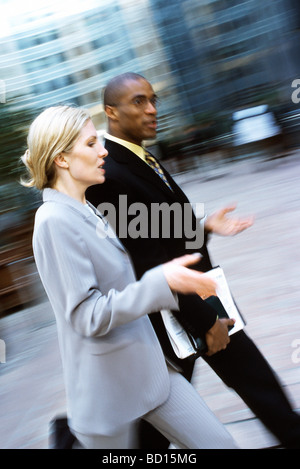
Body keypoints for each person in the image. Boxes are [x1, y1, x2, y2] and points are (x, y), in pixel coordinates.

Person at [86, 72, 300, 449]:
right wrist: (206, 320)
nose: (152, 110)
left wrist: (204, 227)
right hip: (179, 313)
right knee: (158, 422)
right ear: (111, 112)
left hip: (192, 304)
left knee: (248, 384)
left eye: (153, 99)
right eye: (138, 101)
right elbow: (147, 259)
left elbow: (158, 231)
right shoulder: (111, 174)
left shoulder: (141, 157)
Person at [21, 104, 238, 449]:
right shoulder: (53, 221)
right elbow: (86, 315)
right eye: (91, 144)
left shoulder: (85, 207)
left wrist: (200, 230)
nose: (103, 150)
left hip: (150, 370)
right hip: (111, 388)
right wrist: (161, 283)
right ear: (62, 159)